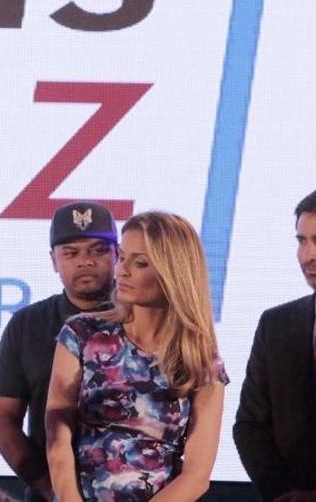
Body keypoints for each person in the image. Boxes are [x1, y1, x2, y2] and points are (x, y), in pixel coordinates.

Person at [45, 212, 227, 501]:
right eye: (122, 257)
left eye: (140, 263)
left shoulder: (201, 360)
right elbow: (58, 442)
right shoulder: (81, 334)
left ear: (173, 272)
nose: (122, 271)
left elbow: (197, 475)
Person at [0, 202, 118, 501]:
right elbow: (2, 423)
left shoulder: (146, 320)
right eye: (71, 253)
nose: (85, 261)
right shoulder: (28, 324)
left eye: (98, 250)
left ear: (117, 254)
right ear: (53, 260)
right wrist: (52, 488)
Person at [234, 189, 316, 500]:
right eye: (302, 241)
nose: (308, 255)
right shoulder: (277, 324)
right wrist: (284, 494)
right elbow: (250, 425)